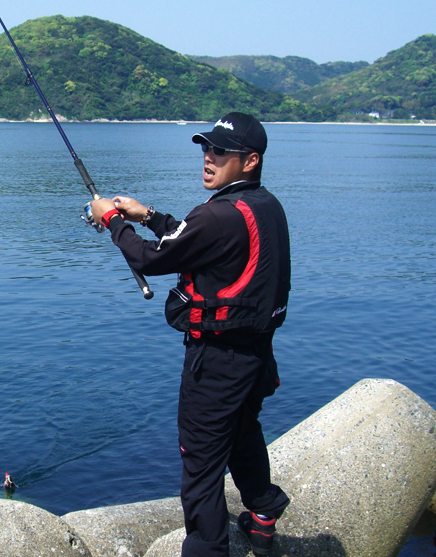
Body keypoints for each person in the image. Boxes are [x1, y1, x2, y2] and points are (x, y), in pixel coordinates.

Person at [87, 112, 291, 557]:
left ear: (250, 160)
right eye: (206, 147)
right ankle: (262, 513)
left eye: (221, 151)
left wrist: (112, 221)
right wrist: (150, 215)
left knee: (200, 464)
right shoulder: (265, 206)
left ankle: (207, 549)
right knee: (242, 432)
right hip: (257, 356)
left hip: (216, 362)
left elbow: (149, 259)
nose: (208, 158)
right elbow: (199, 242)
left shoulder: (217, 215)